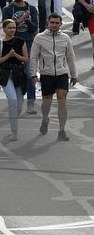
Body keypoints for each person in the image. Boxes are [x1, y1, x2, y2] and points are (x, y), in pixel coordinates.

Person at [31, 11, 78, 140]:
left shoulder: (65, 38)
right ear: (48, 22)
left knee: (62, 99)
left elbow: (70, 57)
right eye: (52, 22)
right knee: (47, 102)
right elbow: (34, 57)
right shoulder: (39, 38)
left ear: (61, 24)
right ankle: (45, 119)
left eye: (57, 23)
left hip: (62, 74)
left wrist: (74, 74)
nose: (54, 25)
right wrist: (33, 74)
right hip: (47, 74)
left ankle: (61, 130)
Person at [0, 19, 29, 142]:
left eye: (14, 28)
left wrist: (15, 55)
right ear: (4, 29)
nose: (12, 30)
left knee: (19, 104)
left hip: (18, 74)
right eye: (9, 28)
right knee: (13, 101)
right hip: (6, 74)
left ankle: (13, 117)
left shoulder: (21, 41)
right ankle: (14, 131)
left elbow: (25, 58)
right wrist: (8, 55)